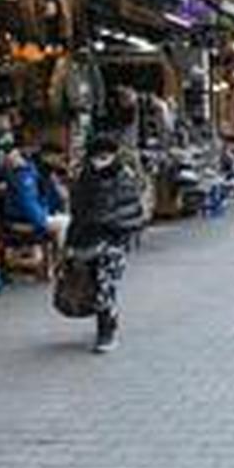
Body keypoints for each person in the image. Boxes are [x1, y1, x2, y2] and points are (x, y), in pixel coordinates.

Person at [66, 131, 149, 353]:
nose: (100, 160)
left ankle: (106, 331)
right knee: (93, 283)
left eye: (105, 155)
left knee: (105, 284)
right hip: (87, 239)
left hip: (113, 240)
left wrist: (107, 223)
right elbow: (78, 212)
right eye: (96, 155)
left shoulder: (124, 176)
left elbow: (128, 209)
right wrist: (71, 243)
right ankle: (107, 321)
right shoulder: (84, 177)